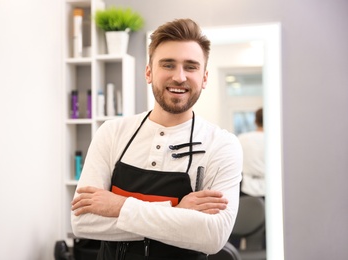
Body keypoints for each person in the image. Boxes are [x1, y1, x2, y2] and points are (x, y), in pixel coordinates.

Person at [71, 18, 243, 260]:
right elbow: (84, 222)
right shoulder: (111, 133)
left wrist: (118, 206)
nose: (180, 77)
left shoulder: (222, 145)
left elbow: (212, 236)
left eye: (191, 66)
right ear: (149, 72)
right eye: (168, 65)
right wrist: (175, 211)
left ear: (204, 78)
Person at [238, 108, 265, 198]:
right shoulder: (276, 141)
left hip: (246, 189)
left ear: (255, 121)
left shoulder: (242, 139)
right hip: (269, 188)